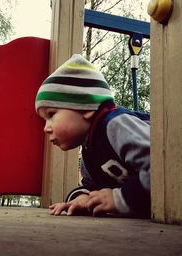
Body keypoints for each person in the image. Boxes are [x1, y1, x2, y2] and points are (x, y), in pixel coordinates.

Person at [35, 53, 150, 218]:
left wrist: (119, 199)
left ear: (87, 107)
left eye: (51, 114)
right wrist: (82, 198)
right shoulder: (90, 149)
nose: (46, 128)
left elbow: (161, 166)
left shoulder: (116, 125)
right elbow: (90, 185)